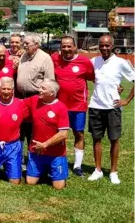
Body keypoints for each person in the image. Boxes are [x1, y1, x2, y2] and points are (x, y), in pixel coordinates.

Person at [87, 35, 135, 184]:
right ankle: (98, 170)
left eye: (107, 45)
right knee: (96, 139)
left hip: (113, 107)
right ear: (98, 46)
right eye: (101, 45)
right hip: (95, 106)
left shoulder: (121, 62)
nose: (104, 48)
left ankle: (113, 172)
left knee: (114, 139)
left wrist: (126, 100)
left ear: (112, 46)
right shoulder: (93, 61)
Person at [51, 36, 95, 177]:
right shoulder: (55, 59)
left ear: (75, 47)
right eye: (64, 46)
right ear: (60, 48)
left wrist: (116, 88)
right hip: (60, 106)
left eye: (69, 46)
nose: (66, 49)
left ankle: (77, 165)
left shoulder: (84, 61)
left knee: (78, 133)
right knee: (58, 134)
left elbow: (95, 78)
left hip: (78, 105)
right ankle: (58, 160)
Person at [16, 33, 55, 166]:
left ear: (37, 45)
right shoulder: (23, 56)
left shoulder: (45, 58)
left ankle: (33, 157)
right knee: (21, 129)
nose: (24, 45)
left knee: (34, 130)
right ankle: (19, 157)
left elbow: (50, 82)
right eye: (24, 43)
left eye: (27, 43)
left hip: (36, 98)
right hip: (21, 98)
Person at [25, 79, 69, 190]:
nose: (39, 90)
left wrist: (45, 144)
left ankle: (50, 170)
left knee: (58, 187)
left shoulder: (61, 107)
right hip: (36, 151)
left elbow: (63, 134)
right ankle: (43, 170)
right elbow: (17, 103)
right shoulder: (34, 100)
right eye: (40, 87)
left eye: (43, 88)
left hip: (56, 154)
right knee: (30, 182)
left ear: (52, 93)